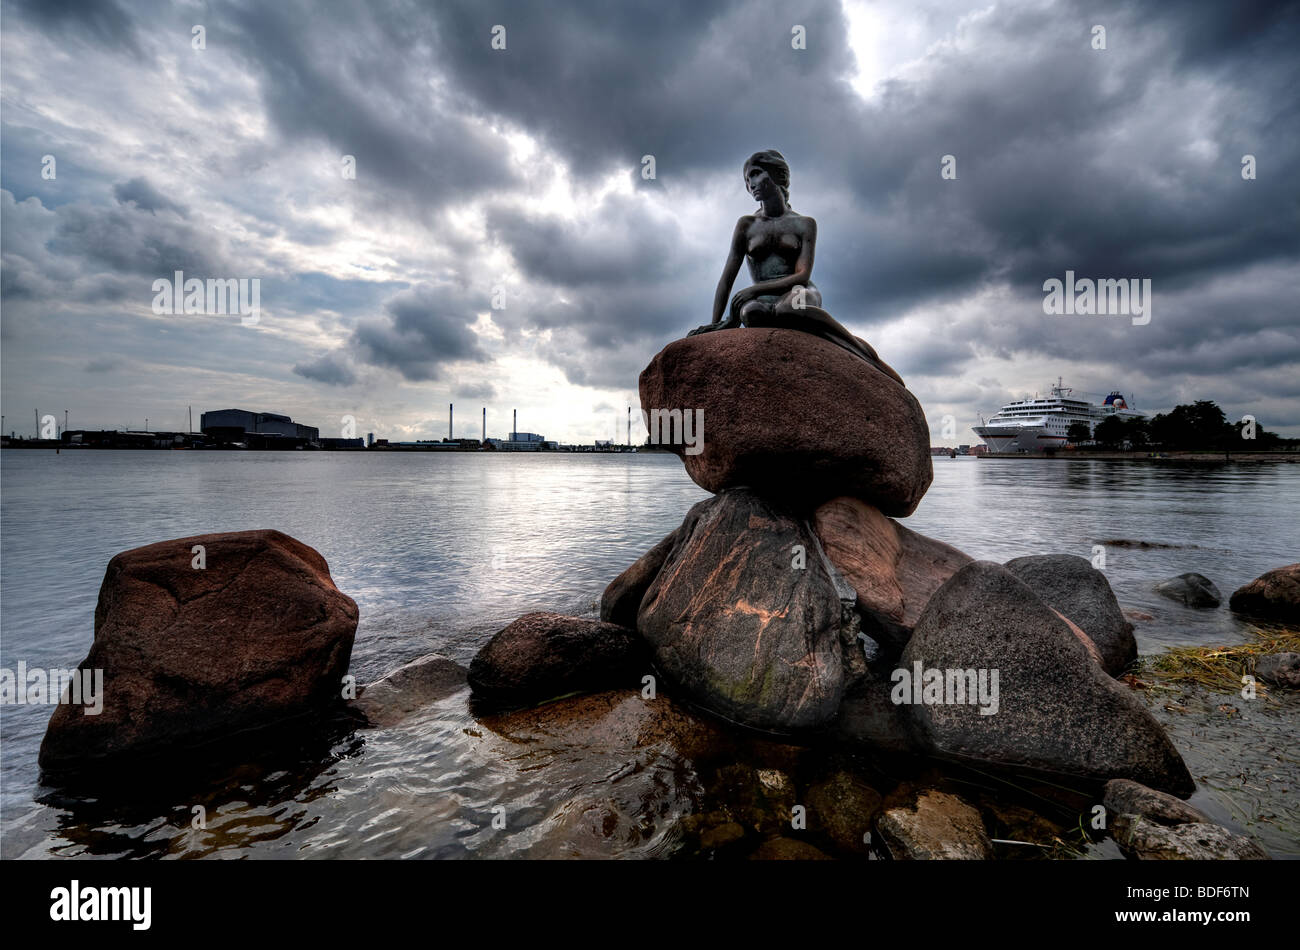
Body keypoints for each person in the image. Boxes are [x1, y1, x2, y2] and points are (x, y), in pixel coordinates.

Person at [688, 149, 902, 384]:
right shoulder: (746, 225)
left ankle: (859, 349)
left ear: (776, 175)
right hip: (767, 298)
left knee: (790, 309)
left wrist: (752, 290)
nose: (751, 184)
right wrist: (715, 324)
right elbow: (727, 278)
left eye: (756, 174)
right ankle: (821, 331)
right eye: (747, 180)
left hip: (800, 291)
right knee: (750, 313)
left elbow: (802, 274)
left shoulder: (804, 224)